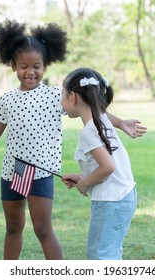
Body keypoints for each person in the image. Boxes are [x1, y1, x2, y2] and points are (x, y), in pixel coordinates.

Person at [0, 20, 146, 260]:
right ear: (12, 66)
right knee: (13, 227)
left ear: (45, 66)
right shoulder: (6, 100)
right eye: (23, 66)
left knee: (42, 229)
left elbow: (91, 108)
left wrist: (121, 123)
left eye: (37, 66)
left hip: (41, 173)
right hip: (12, 172)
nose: (30, 71)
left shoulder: (54, 96)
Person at [61, 67, 138, 260]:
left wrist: (85, 184)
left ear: (73, 97)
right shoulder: (101, 120)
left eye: (62, 95)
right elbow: (105, 168)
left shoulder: (89, 131)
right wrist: (82, 177)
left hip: (112, 201)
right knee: (108, 253)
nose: (60, 101)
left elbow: (108, 167)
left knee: (100, 256)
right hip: (123, 196)